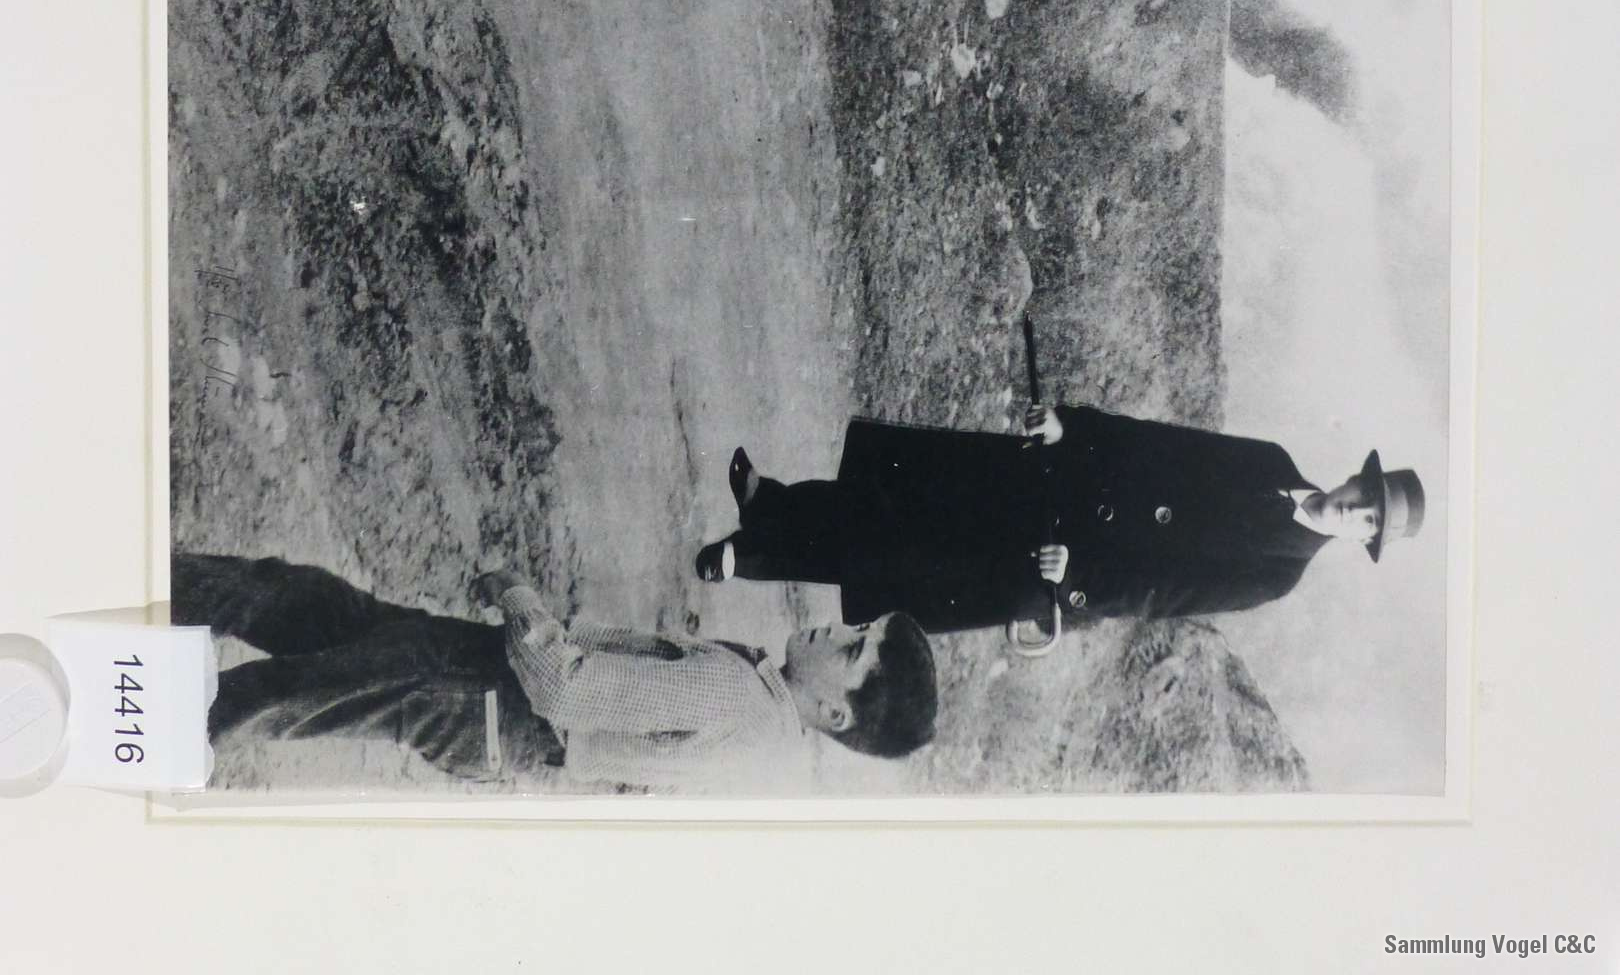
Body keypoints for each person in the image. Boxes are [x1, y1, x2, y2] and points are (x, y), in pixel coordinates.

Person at [172, 552, 938, 794]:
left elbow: (563, 687)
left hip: (488, 696)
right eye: (859, 627)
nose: (836, 630)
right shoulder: (767, 728)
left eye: (852, 651)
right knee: (301, 603)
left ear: (836, 713)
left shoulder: (737, 696)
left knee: (276, 696)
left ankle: (130, 730)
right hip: (487, 696)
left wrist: (517, 595)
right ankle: (146, 586)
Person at [694, 405, 1425, 633]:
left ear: (1363, 538)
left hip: (1055, 559)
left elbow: (1158, 595)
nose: (1353, 510)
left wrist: (1078, 583)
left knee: (906, 557)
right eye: (1364, 495)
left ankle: (752, 557)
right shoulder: (1271, 460)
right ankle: (770, 505)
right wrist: (1072, 429)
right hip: (1054, 484)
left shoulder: (1277, 573)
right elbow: (1160, 442)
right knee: (903, 498)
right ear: (1354, 477)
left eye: (1367, 521)